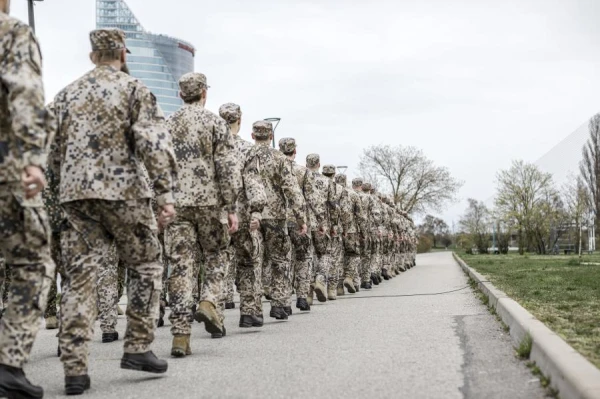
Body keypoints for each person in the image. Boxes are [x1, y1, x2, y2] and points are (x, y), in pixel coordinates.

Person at [50, 28, 178, 394]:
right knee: (146, 264)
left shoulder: (65, 94)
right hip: (125, 194)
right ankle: (137, 345)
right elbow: (154, 145)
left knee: (78, 278)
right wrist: (165, 195)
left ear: (92, 56)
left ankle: (74, 370)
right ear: (123, 54)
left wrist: (63, 189)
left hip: (77, 198)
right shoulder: (135, 89)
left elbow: (50, 150)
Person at [0, 1, 57, 397]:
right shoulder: (10, 31)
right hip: (5, 167)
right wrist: (34, 158)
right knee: (33, 262)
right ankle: (8, 362)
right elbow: (24, 91)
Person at [164, 73, 241, 356]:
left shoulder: (167, 124)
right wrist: (231, 207)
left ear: (180, 94)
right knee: (216, 255)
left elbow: (156, 167)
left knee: (180, 267)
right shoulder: (215, 123)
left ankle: (181, 335)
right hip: (210, 203)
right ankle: (209, 300)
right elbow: (227, 168)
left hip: (177, 205)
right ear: (204, 94)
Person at [252, 121, 306, 320]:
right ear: (271, 137)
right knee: (280, 261)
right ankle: (279, 304)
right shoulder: (279, 158)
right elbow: (292, 189)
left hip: (251, 215)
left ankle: (251, 310)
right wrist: (301, 218)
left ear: (252, 135)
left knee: (254, 261)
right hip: (275, 216)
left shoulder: (245, 154)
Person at [219, 103, 266, 328]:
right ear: (240, 119)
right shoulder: (248, 150)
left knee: (216, 263)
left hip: (215, 215)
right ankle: (249, 312)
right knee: (247, 262)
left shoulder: (209, 146)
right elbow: (254, 184)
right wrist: (257, 211)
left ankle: (215, 314)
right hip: (242, 215)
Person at [278, 138, 326, 312]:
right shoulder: (303, 172)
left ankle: (283, 301)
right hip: (300, 222)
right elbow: (313, 199)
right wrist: (321, 221)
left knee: (283, 261)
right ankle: (302, 297)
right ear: (295, 152)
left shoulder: (274, 167)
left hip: (278, 220)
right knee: (304, 259)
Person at [306, 154, 337, 303]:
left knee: (307, 257)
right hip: (322, 224)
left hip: (304, 223)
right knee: (325, 254)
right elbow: (333, 206)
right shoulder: (327, 182)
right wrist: (334, 225)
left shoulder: (301, 177)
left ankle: (307, 294)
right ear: (319, 164)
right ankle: (320, 279)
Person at [335, 173, 366, 293]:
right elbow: (360, 216)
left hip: (335, 230)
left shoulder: (331, 191)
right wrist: (363, 232)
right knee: (353, 255)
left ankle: (338, 286)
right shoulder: (353, 194)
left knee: (337, 257)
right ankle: (349, 277)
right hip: (351, 230)